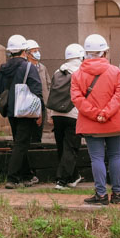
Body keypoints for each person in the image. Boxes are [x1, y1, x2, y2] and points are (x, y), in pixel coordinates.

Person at [71, 34, 120, 205]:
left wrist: (95, 113)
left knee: (96, 158)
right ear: (104, 52)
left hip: (91, 123)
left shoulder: (77, 75)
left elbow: (77, 98)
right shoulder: (115, 71)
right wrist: (106, 112)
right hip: (114, 121)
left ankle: (101, 194)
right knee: (116, 156)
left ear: (86, 53)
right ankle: (117, 193)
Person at [0, 34, 42, 188]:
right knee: (21, 144)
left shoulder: (3, 68)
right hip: (25, 111)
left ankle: (27, 175)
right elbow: (37, 90)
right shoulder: (28, 67)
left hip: (10, 111)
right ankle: (12, 178)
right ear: (24, 51)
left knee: (20, 142)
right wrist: (39, 112)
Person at [48, 43, 85, 190]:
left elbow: (53, 93)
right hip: (74, 114)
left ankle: (73, 177)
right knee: (71, 147)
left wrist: (51, 114)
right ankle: (61, 181)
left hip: (57, 113)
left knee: (62, 147)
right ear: (80, 56)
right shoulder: (81, 71)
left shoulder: (58, 71)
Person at [25, 39, 49, 143]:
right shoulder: (24, 68)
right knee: (27, 134)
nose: (37, 53)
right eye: (34, 51)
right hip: (27, 106)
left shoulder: (42, 68)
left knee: (37, 134)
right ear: (27, 53)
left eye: (37, 50)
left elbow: (48, 85)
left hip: (42, 104)